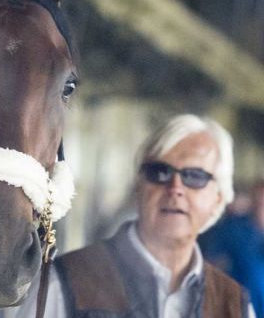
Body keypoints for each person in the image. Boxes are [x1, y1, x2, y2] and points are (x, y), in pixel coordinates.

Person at [14, 114, 255, 317]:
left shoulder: (235, 305)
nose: (175, 188)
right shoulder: (64, 282)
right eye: (159, 172)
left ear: (219, 198)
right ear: (138, 186)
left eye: (194, 176)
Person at [199, 179, 264, 317]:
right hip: (239, 308)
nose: (261, 209)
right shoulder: (233, 229)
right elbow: (211, 265)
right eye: (258, 203)